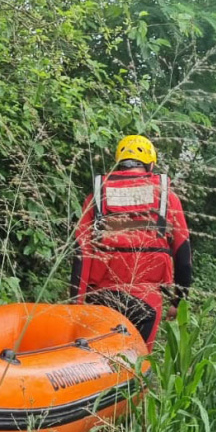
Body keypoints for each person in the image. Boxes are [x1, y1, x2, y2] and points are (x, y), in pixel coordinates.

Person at [70, 135, 192, 349]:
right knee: (138, 364)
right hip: (146, 301)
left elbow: (81, 253)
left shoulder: (96, 198)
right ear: (151, 165)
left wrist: (75, 304)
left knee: (98, 361)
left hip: (102, 298)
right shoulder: (167, 198)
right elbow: (183, 254)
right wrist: (178, 301)